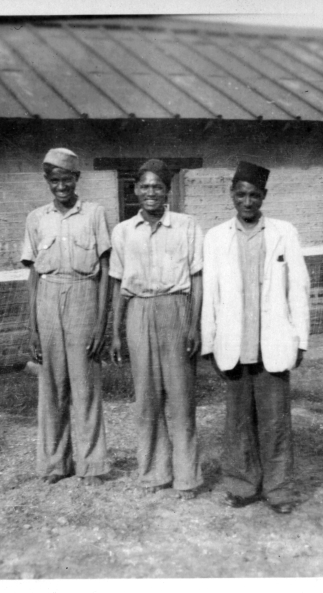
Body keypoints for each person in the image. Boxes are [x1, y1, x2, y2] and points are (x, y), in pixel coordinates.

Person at [201, 161, 311, 514]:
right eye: (241, 195)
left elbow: (299, 289)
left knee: (276, 421)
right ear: (232, 195)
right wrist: (209, 343)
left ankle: (279, 490)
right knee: (238, 422)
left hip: (274, 344)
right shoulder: (216, 237)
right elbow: (211, 295)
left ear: (263, 196)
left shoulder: (284, 233)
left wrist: (301, 339)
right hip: (233, 344)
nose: (247, 202)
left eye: (254, 195)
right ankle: (242, 485)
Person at [110, 159, 204, 500]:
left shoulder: (187, 225)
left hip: (175, 308)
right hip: (138, 310)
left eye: (158, 187)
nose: (151, 192)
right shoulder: (122, 231)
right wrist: (117, 331)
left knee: (180, 397)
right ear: (135, 190)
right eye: (145, 186)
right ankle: (153, 472)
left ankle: (187, 477)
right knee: (147, 398)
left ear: (168, 191)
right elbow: (118, 282)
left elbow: (197, 277)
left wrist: (194, 324)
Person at [21, 148, 111, 486]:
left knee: (85, 386)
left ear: (77, 179)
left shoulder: (95, 214)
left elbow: (104, 271)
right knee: (52, 385)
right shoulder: (37, 218)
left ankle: (92, 464)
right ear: (47, 181)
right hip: (47, 299)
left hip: (84, 296)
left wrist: (101, 323)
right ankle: (55, 463)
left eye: (67, 179)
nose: (61, 186)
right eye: (54, 180)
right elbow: (32, 277)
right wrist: (32, 328)